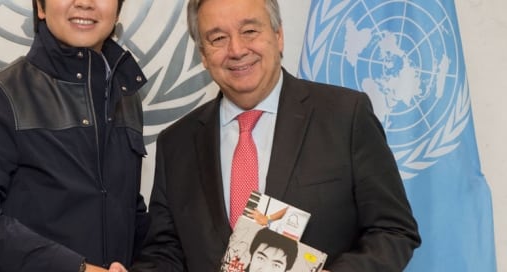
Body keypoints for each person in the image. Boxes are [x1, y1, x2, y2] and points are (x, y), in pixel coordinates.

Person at [128, 0, 421, 271]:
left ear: (278, 36)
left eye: (250, 30)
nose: (237, 49)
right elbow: (164, 252)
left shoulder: (345, 116)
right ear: (203, 55)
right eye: (218, 38)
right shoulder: (176, 143)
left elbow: (393, 230)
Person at [0, 0, 149, 271]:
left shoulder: (125, 95)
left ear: (118, 9)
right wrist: (75, 269)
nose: (84, 3)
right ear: (40, 7)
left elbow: (125, 206)